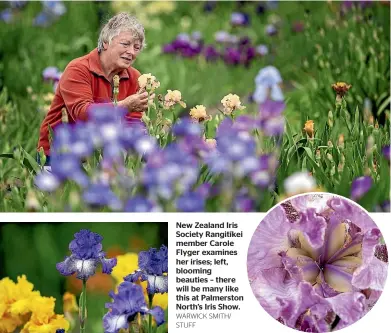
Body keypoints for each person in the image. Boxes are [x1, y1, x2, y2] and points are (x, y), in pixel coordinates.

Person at [37, 12, 152, 166]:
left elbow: (132, 123)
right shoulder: (78, 69)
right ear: (105, 42)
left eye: (136, 47)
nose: (131, 52)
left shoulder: (134, 77)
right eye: (125, 44)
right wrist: (124, 106)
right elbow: (82, 113)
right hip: (59, 153)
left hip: (102, 154)